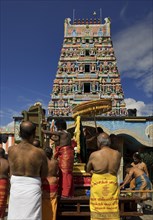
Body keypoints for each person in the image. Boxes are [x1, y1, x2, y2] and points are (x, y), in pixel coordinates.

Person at [7, 121, 48, 220]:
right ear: (34, 134)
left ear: (20, 133)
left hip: (16, 187)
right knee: (33, 216)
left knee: (15, 215)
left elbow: (11, 171)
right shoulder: (40, 152)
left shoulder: (11, 150)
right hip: (33, 188)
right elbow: (44, 174)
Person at [86, 132, 121, 220]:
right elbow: (117, 169)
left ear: (99, 143)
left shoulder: (94, 155)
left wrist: (94, 171)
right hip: (112, 183)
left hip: (98, 183)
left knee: (98, 208)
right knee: (112, 206)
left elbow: (87, 170)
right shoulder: (117, 154)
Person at [42, 118, 74, 197]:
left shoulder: (61, 133)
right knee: (66, 172)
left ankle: (65, 193)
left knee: (64, 172)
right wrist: (49, 137)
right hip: (68, 154)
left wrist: (42, 129)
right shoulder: (68, 134)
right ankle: (67, 192)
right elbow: (55, 139)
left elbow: (50, 132)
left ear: (59, 126)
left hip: (65, 154)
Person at [42, 147, 59, 220]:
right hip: (53, 182)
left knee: (44, 202)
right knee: (53, 202)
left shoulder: (42, 162)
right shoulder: (55, 162)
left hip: (44, 182)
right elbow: (57, 173)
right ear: (52, 153)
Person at [0, 148, 9, 220]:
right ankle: (1, 217)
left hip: (4, 181)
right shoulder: (7, 162)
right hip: (4, 182)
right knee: (3, 201)